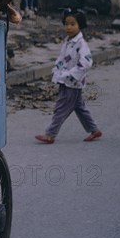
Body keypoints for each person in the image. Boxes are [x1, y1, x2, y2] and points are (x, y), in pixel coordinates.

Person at [35, 8, 102, 144]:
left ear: (80, 25)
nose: (69, 27)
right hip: (65, 80)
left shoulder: (81, 44)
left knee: (61, 108)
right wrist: (56, 71)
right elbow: (61, 58)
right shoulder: (67, 41)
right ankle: (94, 130)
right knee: (79, 107)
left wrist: (70, 74)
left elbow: (86, 63)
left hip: (72, 82)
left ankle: (50, 134)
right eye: (66, 24)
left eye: (73, 24)